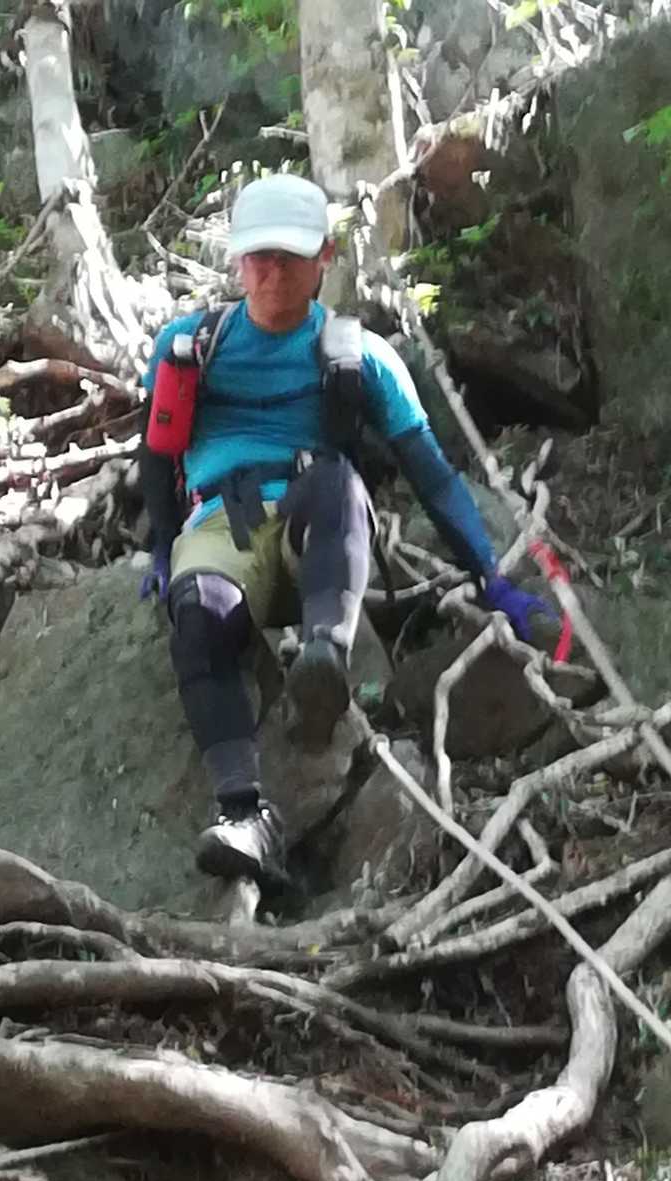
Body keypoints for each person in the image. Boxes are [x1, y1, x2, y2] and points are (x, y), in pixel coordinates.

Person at [139, 173, 552, 888]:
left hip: (319, 535)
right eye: (258, 258)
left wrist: (492, 579)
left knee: (335, 481)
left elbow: (432, 476)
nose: (271, 274)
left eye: (289, 258)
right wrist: (160, 549)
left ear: (324, 257)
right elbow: (156, 455)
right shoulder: (189, 347)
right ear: (238, 261)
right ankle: (245, 815)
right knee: (199, 611)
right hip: (222, 524)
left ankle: (324, 661)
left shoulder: (360, 357)